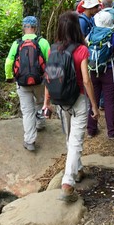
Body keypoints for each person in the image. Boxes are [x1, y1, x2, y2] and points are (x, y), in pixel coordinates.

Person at [43, 11, 99, 202]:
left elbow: (49, 78)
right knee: (75, 140)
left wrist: (46, 103)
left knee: (69, 138)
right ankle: (67, 183)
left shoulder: (53, 49)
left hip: (60, 101)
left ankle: (78, 169)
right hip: (78, 100)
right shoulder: (82, 50)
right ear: (76, 27)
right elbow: (86, 80)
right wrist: (94, 105)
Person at [5, 16, 50, 151]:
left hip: (22, 82)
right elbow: (50, 60)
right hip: (40, 80)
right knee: (40, 102)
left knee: (27, 111)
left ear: (24, 28)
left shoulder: (17, 43)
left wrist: (9, 77)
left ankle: (30, 140)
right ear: (35, 27)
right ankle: (40, 124)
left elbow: (8, 62)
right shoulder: (43, 42)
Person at [86, 10, 114, 140]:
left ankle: (91, 130)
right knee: (109, 102)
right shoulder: (113, 36)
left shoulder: (91, 34)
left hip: (92, 70)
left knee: (93, 100)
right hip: (108, 70)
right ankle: (112, 132)